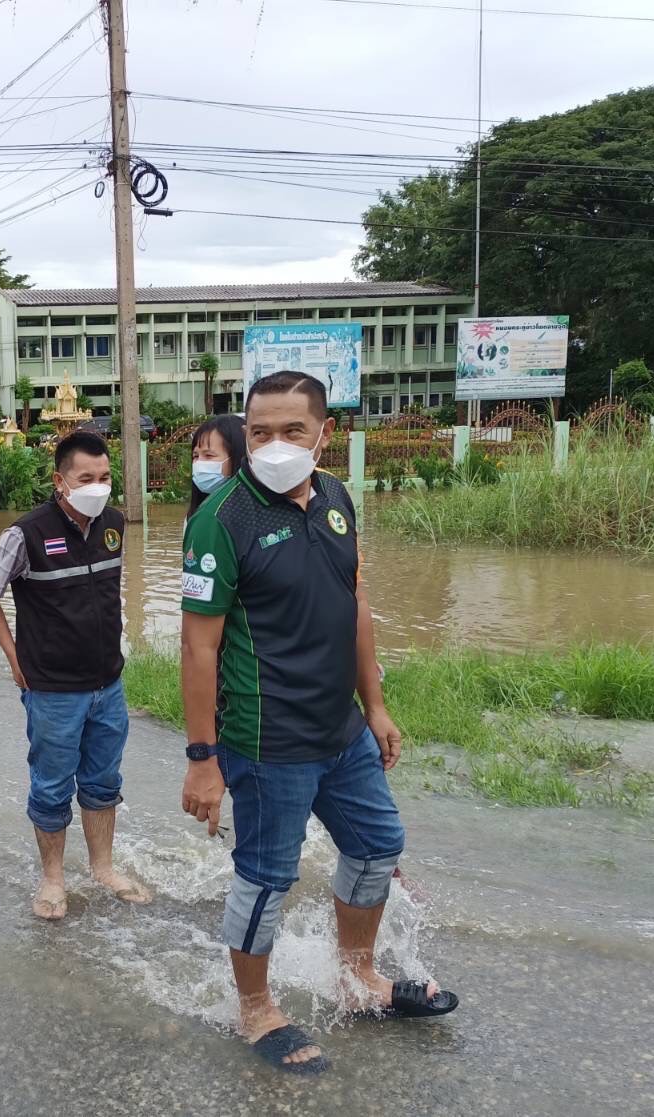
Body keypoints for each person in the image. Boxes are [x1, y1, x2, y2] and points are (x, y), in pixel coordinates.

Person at [178, 371, 457, 1074]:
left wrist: (376, 706)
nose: (273, 444)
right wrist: (202, 756)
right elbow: (197, 645)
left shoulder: (335, 497)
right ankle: (253, 1007)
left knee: (374, 844)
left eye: (291, 430)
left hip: (341, 731)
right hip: (269, 742)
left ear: (323, 433)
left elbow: (354, 604)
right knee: (266, 877)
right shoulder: (221, 520)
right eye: (259, 431)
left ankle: (355, 975)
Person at [0, 430, 151, 921]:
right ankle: (52, 878)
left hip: (108, 685)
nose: (98, 487)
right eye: (86, 478)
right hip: (51, 691)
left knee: (103, 781)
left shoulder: (114, 525)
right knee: (51, 787)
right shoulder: (26, 534)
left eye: (105, 477)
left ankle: (103, 867)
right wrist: (13, 657)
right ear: (60, 481)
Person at [187, 413, 248, 518]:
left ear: (238, 456)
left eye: (209, 455)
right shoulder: (195, 516)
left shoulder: (250, 518)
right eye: (195, 456)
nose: (199, 463)